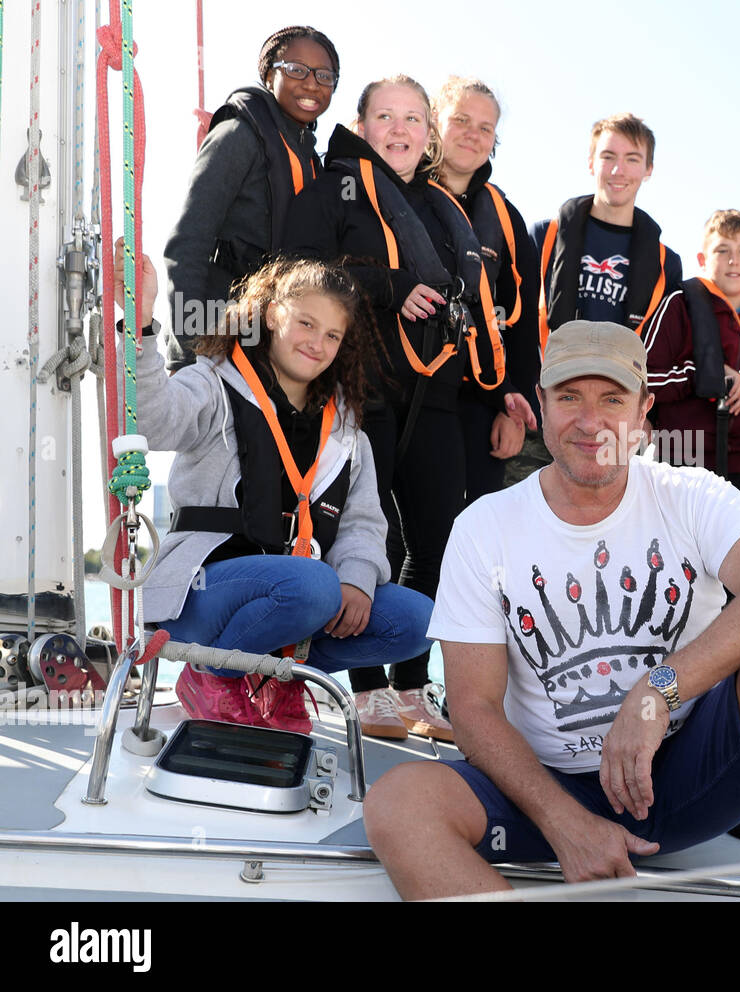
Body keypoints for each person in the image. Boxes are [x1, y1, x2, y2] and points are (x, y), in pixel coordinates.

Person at [362, 320, 740, 901]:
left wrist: (657, 692)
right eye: (569, 397)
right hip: (545, 791)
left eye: (612, 399)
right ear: (541, 404)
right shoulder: (484, 527)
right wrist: (563, 822)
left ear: (644, 411)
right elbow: (471, 707)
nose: (590, 422)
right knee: (397, 805)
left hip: (685, 774)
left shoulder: (692, 494)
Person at [284, 74, 535, 741]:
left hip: (437, 399)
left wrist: (509, 386)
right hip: (361, 396)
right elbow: (295, 275)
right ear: (362, 125)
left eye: (413, 120)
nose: (400, 130)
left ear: (427, 134)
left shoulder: (436, 205)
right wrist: (390, 286)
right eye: (386, 117)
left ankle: (413, 690)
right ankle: (367, 694)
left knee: (438, 544)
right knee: (368, 541)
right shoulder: (333, 188)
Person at [125, 242, 434, 732]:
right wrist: (141, 325)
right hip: (201, 594)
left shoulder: (347, 432)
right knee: (312, 585)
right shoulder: (214, 384)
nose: (317, 342)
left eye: (333, 334)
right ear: (270, 316)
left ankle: (281, 680)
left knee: (416, 619)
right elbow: (152, 420)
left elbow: (363, 524)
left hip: (300, 597)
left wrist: (357, 577)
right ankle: (211, 675)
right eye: (305, 323)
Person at [505, 113, 683, 485]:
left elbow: (663, 349)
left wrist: (648, 416)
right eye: (608, 156)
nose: (619, 169)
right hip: (544, 409)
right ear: (591, 162)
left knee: (602, 533)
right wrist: (509, 398)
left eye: (632, 158)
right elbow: (514, 323)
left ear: (648, 169)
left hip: (615, 420)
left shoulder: (666, 263)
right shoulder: (545, 236)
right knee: (528, 522)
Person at [164, 25, 339, 371]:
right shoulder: (239, 134)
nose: (311, 84)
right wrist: (188, 354)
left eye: (324, 76)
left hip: (270, 342)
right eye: (296, 69)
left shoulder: (312, 160)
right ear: (268, 74)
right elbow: (188, 243)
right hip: (217, 336)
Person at [643, 209, 740, 524]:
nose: (733, 261)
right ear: (702, 258)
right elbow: (642, 380)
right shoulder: (678, 304)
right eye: (722, 251)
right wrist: (705, 374)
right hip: (683, 460)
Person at [430, 76, 542, 502]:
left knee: (476, 531)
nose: (472, 135)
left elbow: (524, 327)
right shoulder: (400, 194)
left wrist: (510, 411)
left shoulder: (506, 218)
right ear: (433, 122)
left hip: (480, 399)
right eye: (460, 119)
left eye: (485, 127)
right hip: (404, 398)